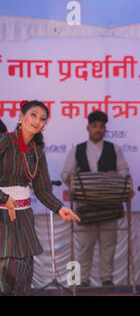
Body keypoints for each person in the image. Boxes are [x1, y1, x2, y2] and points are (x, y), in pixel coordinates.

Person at [0, 100, 79, 295]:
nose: (37, 121)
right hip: (2, 216)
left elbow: (42, 190)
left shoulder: (36, 153)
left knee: (23, 271)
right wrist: (3, 198)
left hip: (23, 218)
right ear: (21, 117)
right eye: (33, 115)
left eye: (43, 119)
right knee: (6, 269)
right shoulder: (4, 141)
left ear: (44, 126)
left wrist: (60, 208)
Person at [61, 110, 129, 287]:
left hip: (110, 206)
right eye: (94, 126)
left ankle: (107, 279)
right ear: (88, 128)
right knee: (85, 245)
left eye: (101, 126)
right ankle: (83, 280)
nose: (98, 129)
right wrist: (76, 182)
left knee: (108, 245)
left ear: (105, 129)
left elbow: (124, 172)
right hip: (85, 206)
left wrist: (116, 176)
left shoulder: (114, 149)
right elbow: (65, 174)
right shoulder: (78, 150)